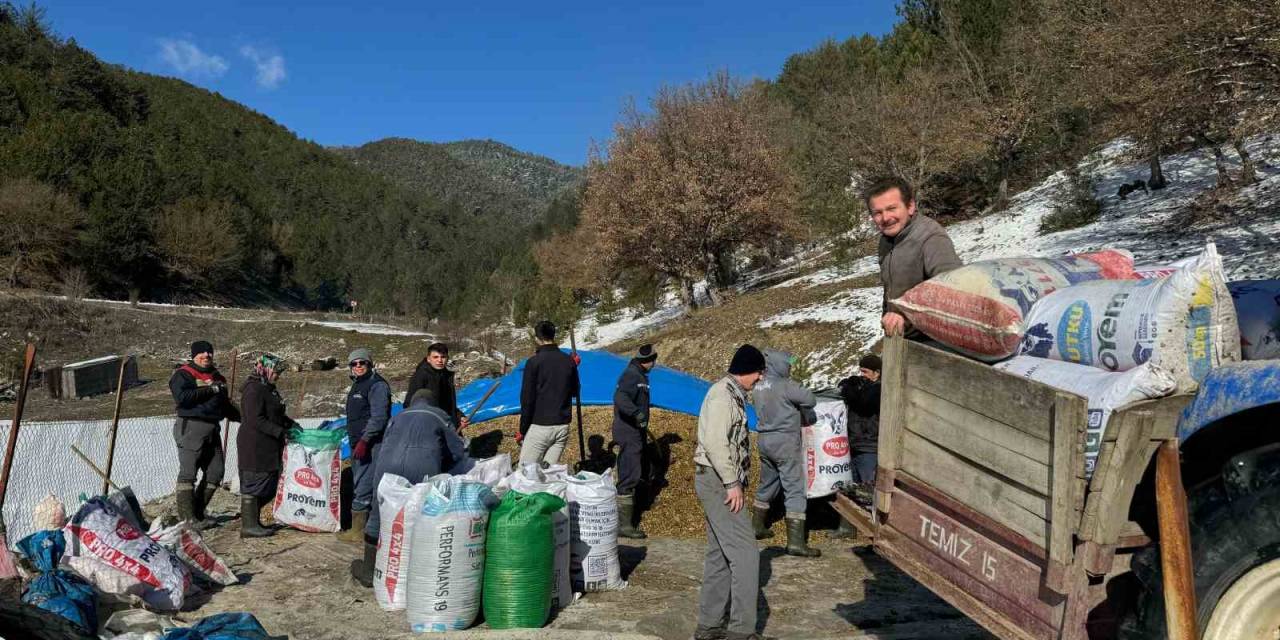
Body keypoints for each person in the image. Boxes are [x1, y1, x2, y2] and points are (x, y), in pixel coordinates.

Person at [350, 388, 468, 587]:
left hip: (386, 466)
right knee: (420, 513)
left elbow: (387, 440)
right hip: (422, 467)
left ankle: (370, 570)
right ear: (432, 402)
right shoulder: (439, 415)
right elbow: (458, 452)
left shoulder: (398, 417)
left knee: (379, 511)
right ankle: (414, 571)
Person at [694, 344, 769, 640]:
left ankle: (709, 626)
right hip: (718, 482)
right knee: (747, 554)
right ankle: (741, 631)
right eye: (758, 372)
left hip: (717, 480)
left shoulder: (731, 394)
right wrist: (731, 483)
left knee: (720, 555)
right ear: (746, 370)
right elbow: (715, 444)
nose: (760, 378)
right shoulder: (722, 396)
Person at [867, 176, 962, 339]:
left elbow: (953, 290)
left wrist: (905, 315)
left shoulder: (930, 237)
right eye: (878, 213)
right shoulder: (887, 239)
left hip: (933, 340)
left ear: (910, 206)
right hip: (900, 335)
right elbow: (890, 288)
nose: (885, 218)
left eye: (891, 208)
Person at [750, 349, 820, 558]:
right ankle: (796, 543)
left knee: (768, 482)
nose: (789, 367)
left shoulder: (759, 386)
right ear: (779, 364)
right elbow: (810, 399)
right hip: (785, 442)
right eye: (787, 364)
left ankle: (756, 526)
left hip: (764, 440)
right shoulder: (786, 385)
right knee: (794, 487)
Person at [169, 340, 240, 529]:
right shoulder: (184, 374)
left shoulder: (218, 377)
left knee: (216, 472)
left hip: (212, 428)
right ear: (194, 355)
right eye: (202, 352)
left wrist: (247, 419)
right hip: (191, 427)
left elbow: (225, 406)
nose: (206, 355)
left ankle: (198, 513)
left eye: (209, 352)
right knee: (188, 473)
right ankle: (187, 519)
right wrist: (211, 389)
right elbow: (182, 398)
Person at [237, 353, 295, 539]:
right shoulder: (253, 389)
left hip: (268, 445)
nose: (278, 376)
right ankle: (249, 525)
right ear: (264, 368)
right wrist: (279, 431)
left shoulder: (268, 388)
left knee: (269, 482)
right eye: (276, 372)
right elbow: (255, 419)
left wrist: (290, 424)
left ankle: (253, 521)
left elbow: (275, 414)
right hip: (255, 445)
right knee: (254, 483)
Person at [337, 348, 391, 544]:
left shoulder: (377, 385)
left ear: (370, 364)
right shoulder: (358, 384)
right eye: (354, 363)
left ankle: (359, 531)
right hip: (357, 441)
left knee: (364, 483)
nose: (358, 366)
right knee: (360, 480)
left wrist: (365, 440)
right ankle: (363, 528)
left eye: (363, 363)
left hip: (371, 444)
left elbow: (378, 418)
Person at [833, 354, 883, 538]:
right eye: (860, 371)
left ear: (877, 373)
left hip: (869, 445)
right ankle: (849, 527)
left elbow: (864, 403)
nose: (862, 375)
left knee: (869, 490)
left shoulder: (879, 389)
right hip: (855, 443)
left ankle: (874, 533)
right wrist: (850, 384)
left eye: (865, 372)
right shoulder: (864, 386)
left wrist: (850, 387)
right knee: (851, 487)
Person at [518, 320, 579, 466]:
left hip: (541, 425)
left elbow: (527, 399)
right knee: (549, 472)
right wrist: (573, 367)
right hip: (562, 425)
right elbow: (575, 391)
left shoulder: (534, 362)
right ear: (553, 335)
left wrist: (523, 429)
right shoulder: (568, 361)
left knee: (525, 472)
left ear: (537, 338)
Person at [613, 343, 658, 539]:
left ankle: (630, 515)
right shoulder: (632, 375)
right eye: (653, 360)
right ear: (648, 360)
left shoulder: (639, 375)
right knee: (629, 472)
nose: (654, 364)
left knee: (638, 469)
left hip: (635, 431)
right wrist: (636, 413)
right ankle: (623, 525)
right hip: (628, 431)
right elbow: (620, 398)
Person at [404, 342, 468, 430]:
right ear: (428, 359)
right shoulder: (421, 376)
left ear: (447, 358)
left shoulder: (446, 376)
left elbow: (448, 404)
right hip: (428, 427)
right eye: (435, 357)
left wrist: (459, 416)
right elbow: (409, 404)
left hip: (446, 424)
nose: (440, 360)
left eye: (443, 357)